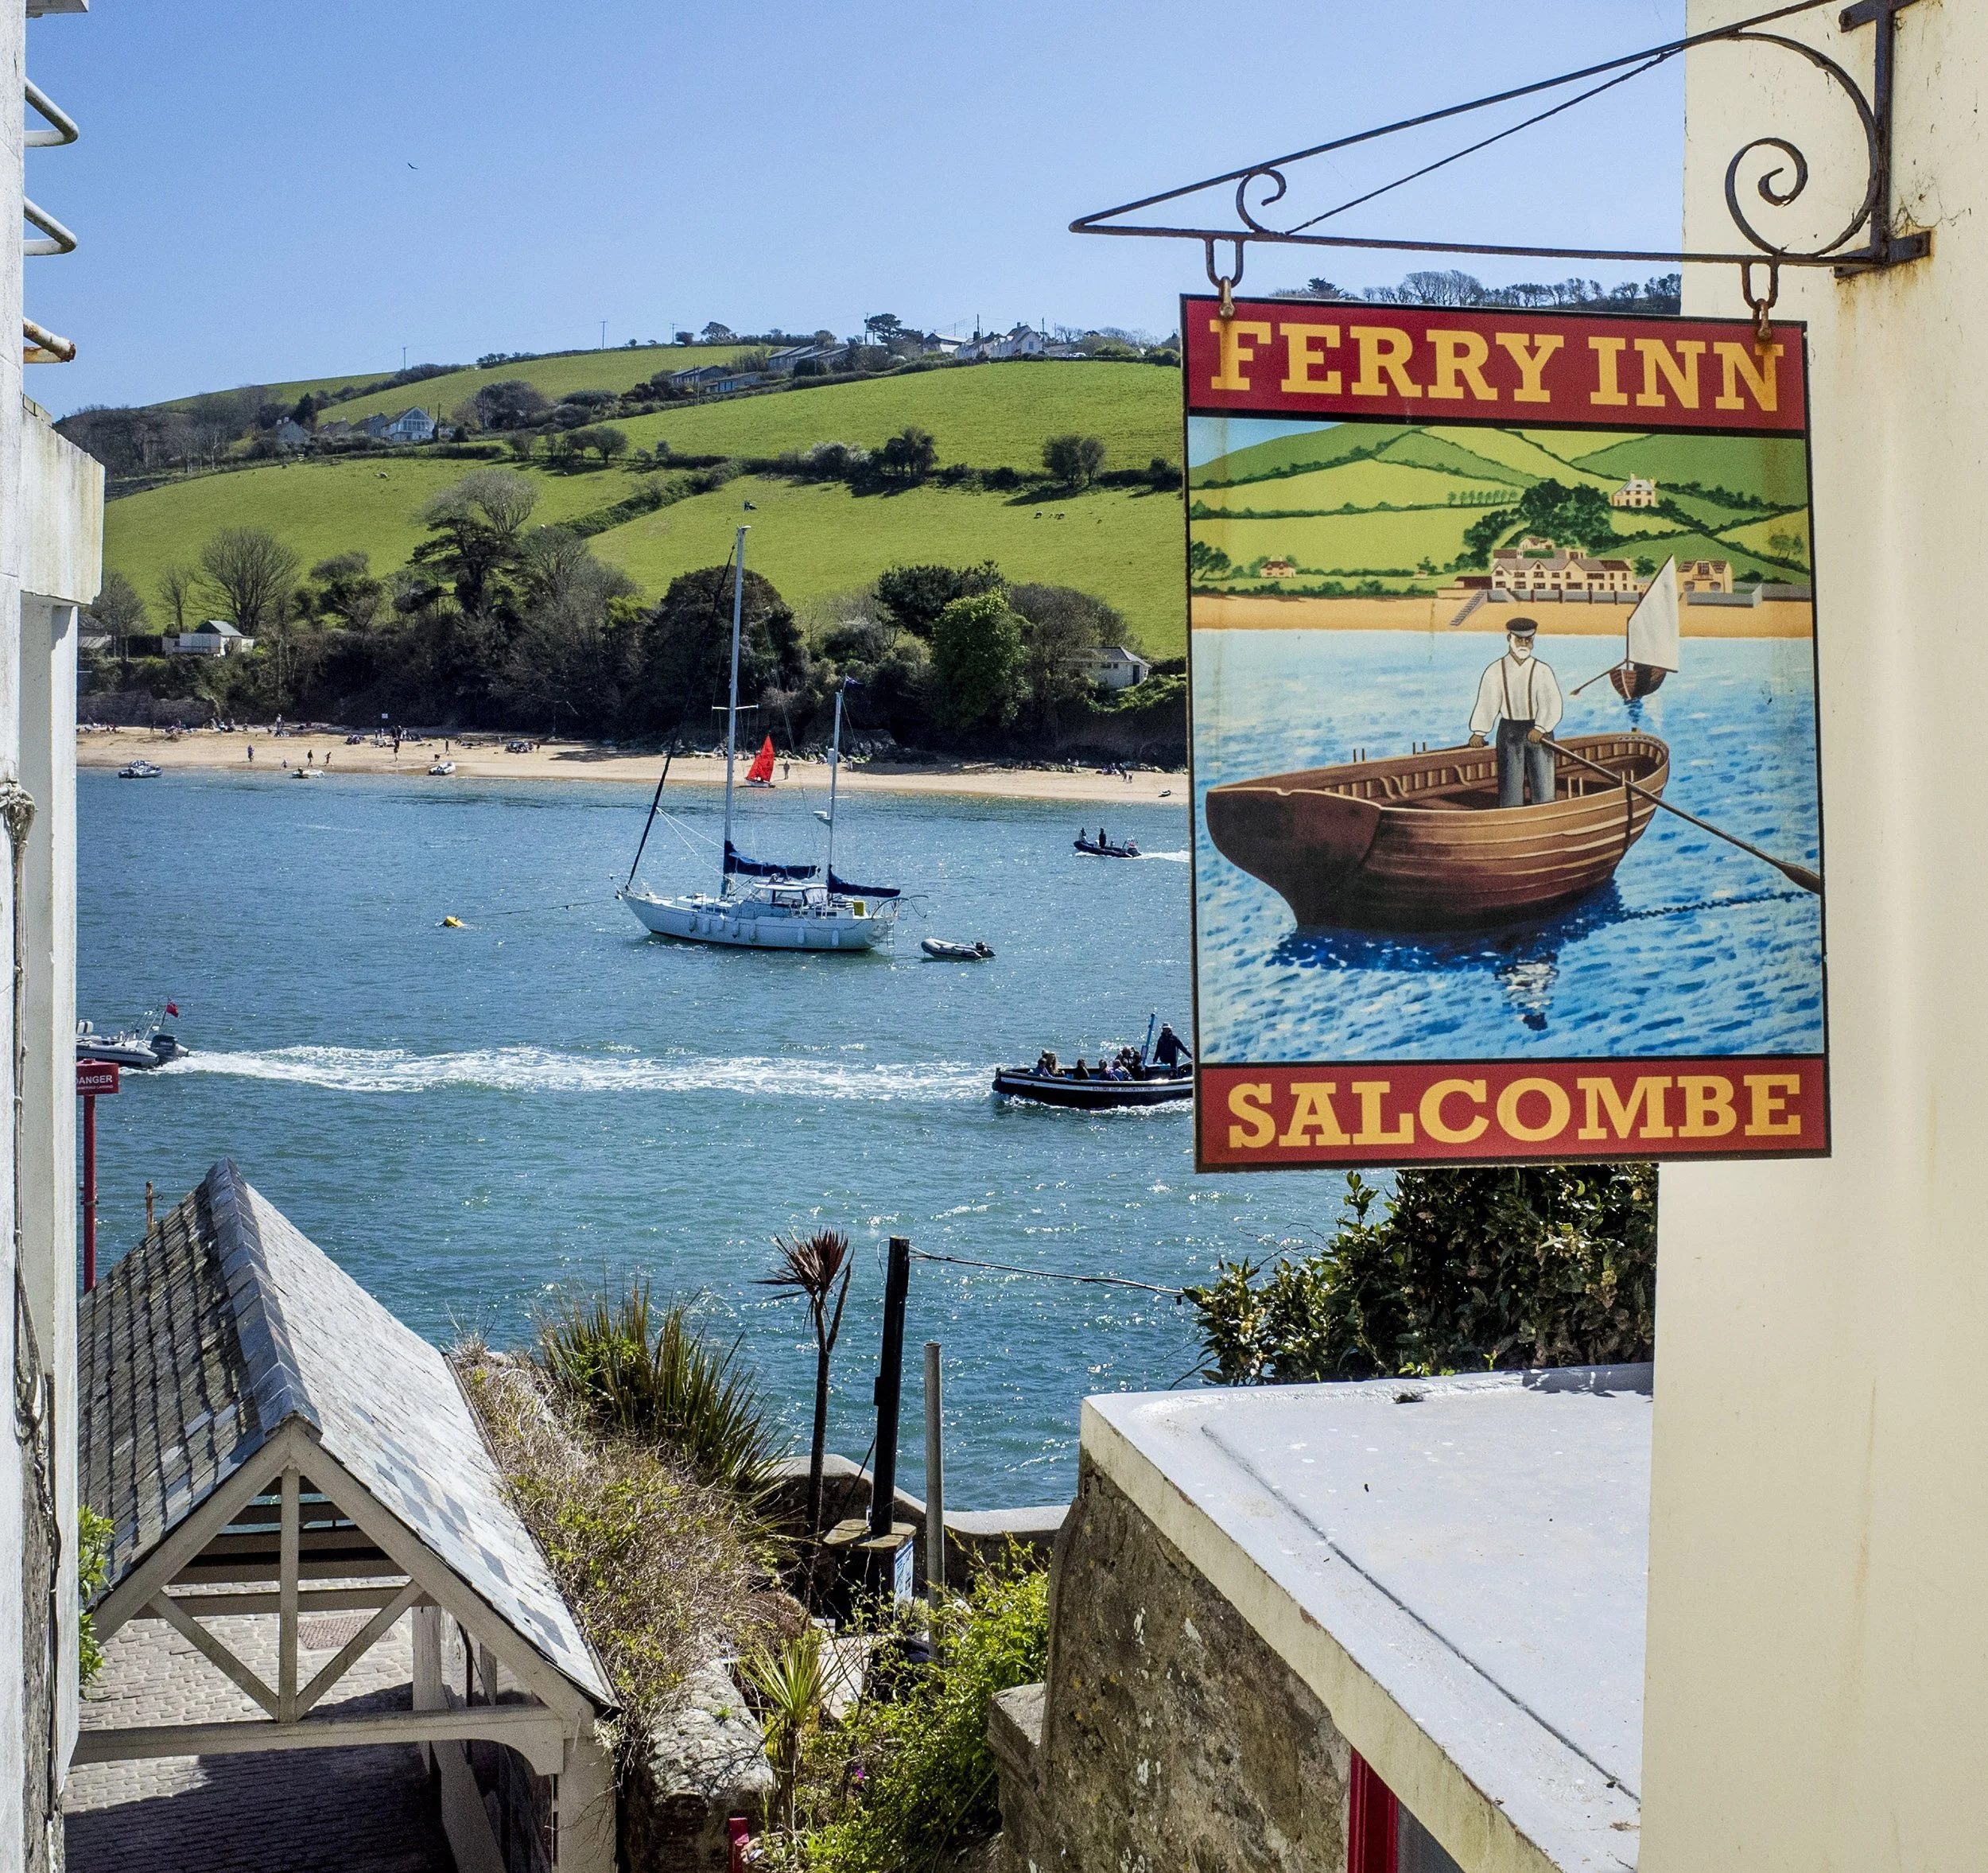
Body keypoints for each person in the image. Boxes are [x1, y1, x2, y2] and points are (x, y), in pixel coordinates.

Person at [1467, 616, 1563, 808]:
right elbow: (1487, 702)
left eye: (1529, 640)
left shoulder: (1542, 670)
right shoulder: (1495, 670)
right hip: (1509, 732)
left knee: (1544, 788)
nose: (1524, 644)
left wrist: (1541, 727)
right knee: (1510, 788)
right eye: (1520, 639)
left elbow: (1552, 703)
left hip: (1539, 732)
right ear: (1509, 639)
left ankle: (1545, 820)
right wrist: (1479, 732)